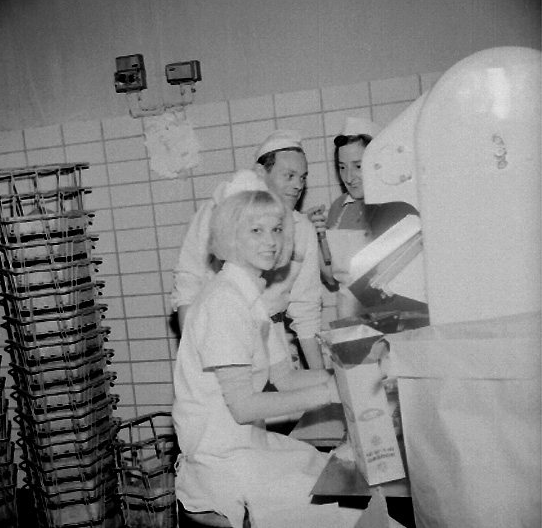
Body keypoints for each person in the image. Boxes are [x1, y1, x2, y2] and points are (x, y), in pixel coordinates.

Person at [172, 190, 362, 528]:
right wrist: (331, 393)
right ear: (230, 235)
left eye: (276, 229)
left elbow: (285, 378)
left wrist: (351, 377)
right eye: (256, 230)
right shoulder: (223, 303)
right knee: (349, 511)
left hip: (249, 446)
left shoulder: (251, 295)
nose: (271, 241)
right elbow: (243, 407)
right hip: (221, 463)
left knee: (334, 473)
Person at [173, 130, 324, 369]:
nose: (298, 185)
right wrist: (194, 357)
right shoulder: (217, 213)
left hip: (274, 338)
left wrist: (322, 374)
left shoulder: (303, 229)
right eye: (289, 175)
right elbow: (188, 285)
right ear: (261, 172)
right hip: (220, 339)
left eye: (302, 177)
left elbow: (306, 308)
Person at [308, 117, 419, 318]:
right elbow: (331, 278)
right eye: (342, 167)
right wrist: (316, 237)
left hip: (395, 315)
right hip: (349, 316)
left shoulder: (398, 207)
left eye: (358, 166)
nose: (348, 177)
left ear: (377, 162)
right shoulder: (339, 208)